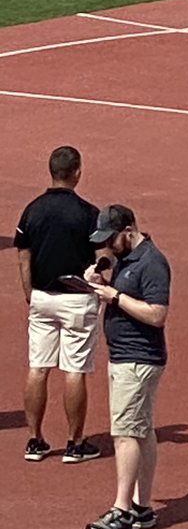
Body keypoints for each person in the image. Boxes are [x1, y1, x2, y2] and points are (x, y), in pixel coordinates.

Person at [84, 205, 171, 529]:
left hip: (138, 360)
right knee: (143, 429)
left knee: (124, 433)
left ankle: (121, 510)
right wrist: (100, 286)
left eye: (111, 238)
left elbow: (156, 314)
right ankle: (141, 506)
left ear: (129, 230)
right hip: (126, 357)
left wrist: (114, 296)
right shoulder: (126, 260)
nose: (108, 246)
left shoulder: (152, 263)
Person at [16, 146, 101, 464]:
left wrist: (30, 293)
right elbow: (102, 254)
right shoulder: (88, 213)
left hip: (41, 298)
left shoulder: (32, 210)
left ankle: (34, 441)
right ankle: (75, 443)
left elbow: (23, 256)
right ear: (76, 172)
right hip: (77, 299)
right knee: (75, 370)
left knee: (38, 368)